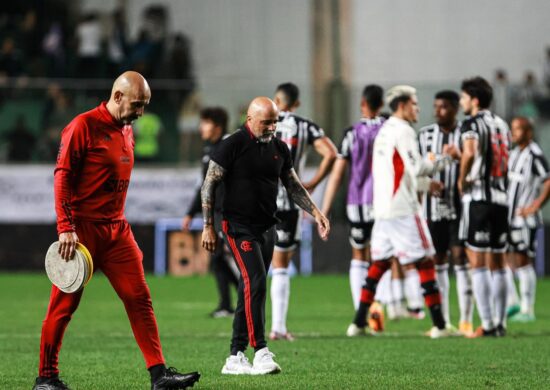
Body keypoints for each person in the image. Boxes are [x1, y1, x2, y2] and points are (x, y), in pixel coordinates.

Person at [34, 72, 200, 390]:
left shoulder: (127, 129)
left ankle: (159, 374)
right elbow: (62, 176)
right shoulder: (83, 126)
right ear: (118, 96)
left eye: (145, 106)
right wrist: (66, 227)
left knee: (139, 298)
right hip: (82, 232)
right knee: (63, 305)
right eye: (137, 105)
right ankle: (46, 378)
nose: (141, 113)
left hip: (116, 230)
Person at [200, 97, 330, 375]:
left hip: (267, 226)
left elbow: (293, 186)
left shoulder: (280, 148)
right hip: (237, 227)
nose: (272, 127)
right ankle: (260, 351)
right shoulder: (231, 145)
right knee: (256, 282)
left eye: (275, 121)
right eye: (266, 122)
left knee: (249, 289)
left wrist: (316, 212)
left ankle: (234, 356)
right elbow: (209, 184)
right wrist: (208, 225)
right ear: (249, 119)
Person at [346, 85, 454, 339]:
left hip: (382, 209)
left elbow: (399, 173)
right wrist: (444, 158)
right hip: (403, 210)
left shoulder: (384, 132)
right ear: (403, 105)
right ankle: (440, 325)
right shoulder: (404, 131)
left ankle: (358, 323)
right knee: (426, 260)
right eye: (415, 104)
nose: (418, 108)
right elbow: (416, 168)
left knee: (380, 264)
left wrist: (427, 185)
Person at [270, 82, 337, 340]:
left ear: (276, 99)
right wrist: (314, 182)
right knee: (281, 267)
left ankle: (250, 330)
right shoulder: (304, 125)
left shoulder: (263, 119)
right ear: (296, 103)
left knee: (255, 267)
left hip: (262, 202)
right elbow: (330, 154)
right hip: (289, 203)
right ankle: (278, 327)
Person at [322, 84, 385, 310]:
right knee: (382, 255)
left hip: (357, 203)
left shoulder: (352, 134)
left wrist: (324, 209)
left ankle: (362, 308)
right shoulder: (389, 130)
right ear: (382, 104)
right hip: (384, 204)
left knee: (359, 254)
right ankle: (382, 305)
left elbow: (337, 175)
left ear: (363, 104)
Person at [458, 76, 511, 337]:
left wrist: (461, 179)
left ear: (475, 100)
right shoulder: (502, 124)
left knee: (477, 261)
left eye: (464, 97)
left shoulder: (471, 123)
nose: (461, 102)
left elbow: (469, 151)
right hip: (502, 200)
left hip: (479, 199)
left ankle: (488, 324)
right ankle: (500, 323)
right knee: (499, 262)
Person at [418, 90, 474, 335]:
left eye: (444, 107)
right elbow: (416, 169)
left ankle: (466, 320)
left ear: (455, 109)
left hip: (461, 205)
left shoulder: (467, 134)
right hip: (433, 209)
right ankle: (444, 321)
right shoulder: (424, 135)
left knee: (461, 259)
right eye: (436, 106)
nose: (438, 111)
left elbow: (477, 163)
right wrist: (426, 186)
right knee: (438, 260)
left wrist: (460, 159)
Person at [182, 107, 239, 318]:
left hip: (229, 213)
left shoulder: (230, 146)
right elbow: (204, 187)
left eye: (204, 123)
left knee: (235, 258)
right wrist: (190, 212)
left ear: (216, 125)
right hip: (215, 214)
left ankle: (248, 297)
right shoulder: (208, 152)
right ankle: (227, 304)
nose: (200, 128)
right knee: (217, 260)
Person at [505, 117, 550, 322]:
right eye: (513, 129)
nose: (514, 133)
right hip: (509, 218)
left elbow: (548, 181)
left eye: (518, 129)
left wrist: (534, 206)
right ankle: (513, 302)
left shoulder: (535, 154)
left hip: (525, 220)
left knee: (523, 261)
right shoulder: (514, 154)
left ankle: (527, 309)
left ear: (529, 132)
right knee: (504, 260)